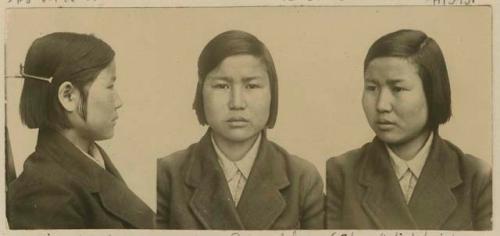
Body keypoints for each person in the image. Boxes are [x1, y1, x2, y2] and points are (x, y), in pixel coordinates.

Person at [156, 30, 324, 230]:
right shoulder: (167, 174)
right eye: (222, 86)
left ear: (273, 93)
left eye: (251, 86)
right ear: (200, 93)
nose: (237, 103)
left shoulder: (303, 179)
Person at [326, 29, 492, 230]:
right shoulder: (342, 173)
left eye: (398, 89)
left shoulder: (476, 178)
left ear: (432, 92)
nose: (381, 105)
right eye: (372, 88)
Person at [7, 32, 155, 229]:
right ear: (68, 96)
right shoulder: (45, 193)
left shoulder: (89, 160)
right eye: (110, 86)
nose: (119, 102)